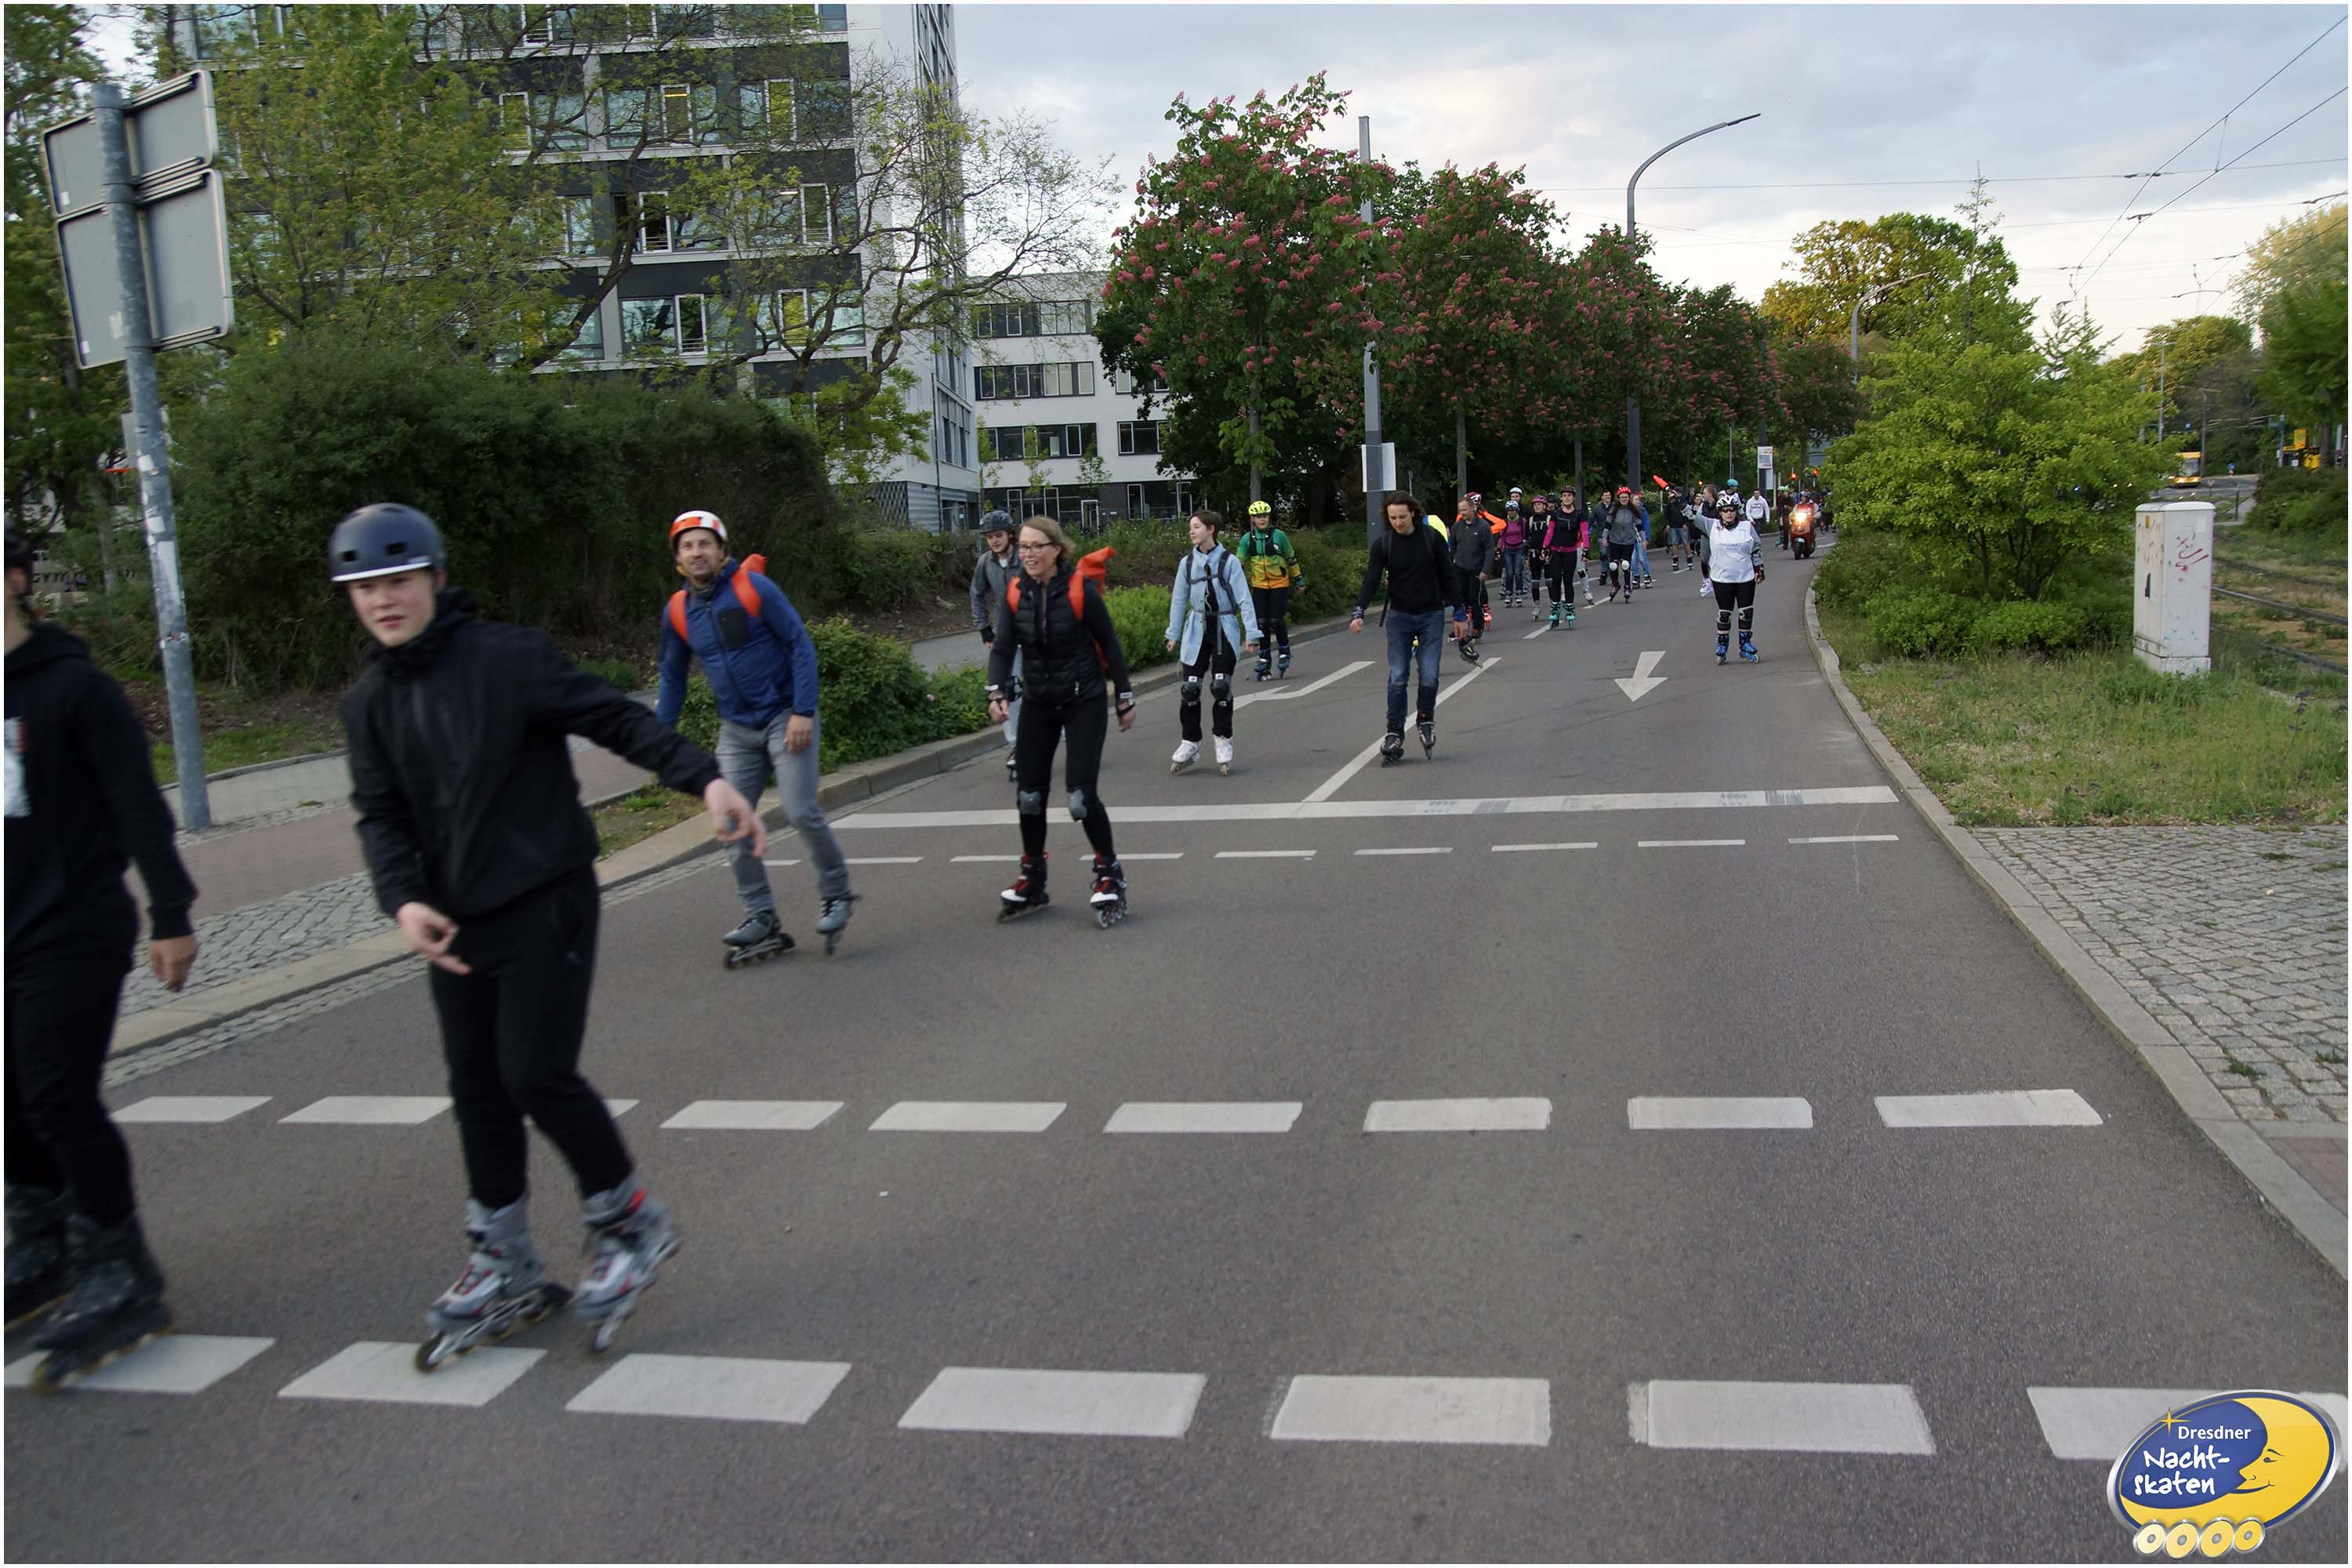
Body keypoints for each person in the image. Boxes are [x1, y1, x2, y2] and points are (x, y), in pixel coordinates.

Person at [333, 503, 763, 1358]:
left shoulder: (507, 658)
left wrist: (706, 779)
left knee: (534, 1072)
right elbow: (379, 815)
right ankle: (504, 1258)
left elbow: (615, 718)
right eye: (365, 587)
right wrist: (402, 899)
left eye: (398, 581)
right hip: (453, 920)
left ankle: (630, 1221)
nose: (383, 599)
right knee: (476, 1087)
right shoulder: (367, 703)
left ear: (436, 579)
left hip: (544, 896)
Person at [5, 529, 200, 1390]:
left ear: (17, 579)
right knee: (9, 1098)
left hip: (73, 926)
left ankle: (120, 1262)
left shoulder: (75, 688)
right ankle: (42, 1241)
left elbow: (136, 805)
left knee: (56, 1093)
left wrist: (171, 913)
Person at [656, 509, 858, 963]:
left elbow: (799, 644)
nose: (697, 552)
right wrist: (656, 739)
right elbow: (671, 678)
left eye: (705, 543)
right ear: (678, 560)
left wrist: (802, 711)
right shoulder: (678, 611)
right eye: (688, 546)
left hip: (785, 717)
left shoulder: (754, 588)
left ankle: (837, 893)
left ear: (721, 550)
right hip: (736, 730)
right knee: (731, 823)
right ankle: (761, 915)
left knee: (799, 810)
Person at [986, 517, 1137, 925]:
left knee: (1080, 798)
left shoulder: (1079, 590)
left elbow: (1109, 643)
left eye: (1037, 546)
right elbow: (1002, 649)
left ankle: (1109, 873)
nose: (1028, 554)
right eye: (1023, 547)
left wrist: (1124, 698)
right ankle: (1033, 877)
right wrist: (996, 692)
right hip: (1038, 702)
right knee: (1029, 796)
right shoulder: (1015, 593)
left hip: (1083, 700)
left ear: (1056, 549)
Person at [1351, 493, 1466, 764]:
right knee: (1398, 676)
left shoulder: (1431, 539)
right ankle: (1394, 731)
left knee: (1429, 674)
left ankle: (1425, 720)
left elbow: (1448, 576)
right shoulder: (1385, 544)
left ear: (1413, 513)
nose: (1398, 522)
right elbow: (1371, 580)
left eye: (1402, 517)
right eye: (1393, 518)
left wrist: (1460, 613)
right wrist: (1359, 611)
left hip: (1431, 615)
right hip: (1400, 617)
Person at [1163, 509, 1259, 776]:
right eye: (1191, 527)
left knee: (1221, 686)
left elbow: (1244, 598)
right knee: (1190, 688)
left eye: (1196, 527)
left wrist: (1252, 633)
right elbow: (1179, 600)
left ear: (1210, 529)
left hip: (1223, 628)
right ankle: (1190, 742)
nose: (1191, 531)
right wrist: (1173, 633)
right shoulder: (1187, 563)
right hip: (1196, 629)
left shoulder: (1229, 562)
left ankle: (1223, 739)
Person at [968, 510, 1021, 779]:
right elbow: (976, 593)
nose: (994, 541)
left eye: (998, 535)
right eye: (989, 537)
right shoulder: (985, 562)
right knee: (1009, 691)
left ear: (1010, 534)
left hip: (1036, 633)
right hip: (1005, 635)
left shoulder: (1025, 557)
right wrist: (984, 628)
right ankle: (1017, 746)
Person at [1233, 499, 1302, 681]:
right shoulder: (1247, 539)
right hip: (1259, 585)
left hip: (1279, 583)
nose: (1262, 519)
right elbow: (1238, 562)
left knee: (1276, 620)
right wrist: (1232, 580)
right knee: (1261, 622)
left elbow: (1291, 558)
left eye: (1264, 516)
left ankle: (1284, 651)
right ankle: (1264, 657)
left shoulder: (1279, 536)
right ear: (1252, 519)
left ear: (1269, 517)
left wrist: (1299, 580)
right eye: (1258, 516)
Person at [1706, 493, 1766, 663]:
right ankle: (1722, 644)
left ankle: (1745, 644)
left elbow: (1756, 548)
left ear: (1736, 511)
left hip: (1745, 576)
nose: (1729, 513)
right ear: (1720, 512)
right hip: (1721, 577)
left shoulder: (1746, 526)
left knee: (1746, 612)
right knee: (1725, 613)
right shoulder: (1712, 525)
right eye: (1725, 510)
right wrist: (1677, 501)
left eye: (1732, 510)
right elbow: (1692, 516)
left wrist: (1759, 568)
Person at [1449, 491, 1496, 659]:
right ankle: (1460, 626)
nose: (1461, 513)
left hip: (1476, 569)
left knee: (1474, 598)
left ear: (1473, 509)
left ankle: (1477, 626)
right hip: (1460, 568)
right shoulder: (1457, 527)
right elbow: (1453, 546)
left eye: (1464, 510)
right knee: (1459, 599)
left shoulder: (1483, 527)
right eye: (1460, 510)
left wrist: (1485, 570)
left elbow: (1489, 550)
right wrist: (1451, 564)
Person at [1538, 497, 1583, 630]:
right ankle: (1555, 608)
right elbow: (1550, 532)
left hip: (1570, 551)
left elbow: (1585, 532)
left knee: (1568, 581)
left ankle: (1570, 609)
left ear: (1573, 498)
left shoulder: (1579, 514)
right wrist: (1545, 547)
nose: (1567, 498)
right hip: (1556, 551)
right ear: (1562, 499)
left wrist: (1586, 549)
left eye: (1569, 495)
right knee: (1556, 580)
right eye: (1565, 496)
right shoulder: (1556, 514)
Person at [1602, 485, 1646, 602]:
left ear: (1629, 498)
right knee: (1613, 565)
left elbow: (1639, 526)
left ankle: (1627, 587)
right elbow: (1607, 525)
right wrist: (1604, 538)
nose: (1624, 499)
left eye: (1626, 497)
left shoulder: (1633, 511)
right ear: (1619, 498)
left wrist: (1644, 540)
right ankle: (1615, 584)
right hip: (1615, 540)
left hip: (1628, 541)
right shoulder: (1614, 509)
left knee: (1626, 564)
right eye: (1622, 497)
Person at [1524, 493, 1553, 619]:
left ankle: (1554, 604)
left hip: (1547, 553)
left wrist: (1550, 551)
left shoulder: (1550, 518)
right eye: (1535, 505)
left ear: (1544, 506)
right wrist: (1526, 553)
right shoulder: (1530, 520)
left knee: (1549, 580)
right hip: (1534, 553)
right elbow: (1526, 538)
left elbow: (1553, 535)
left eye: (1539, 505)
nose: (1537, 507)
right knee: (1535, 581)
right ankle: (1536, 605)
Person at [1496, 500, 1530, 610]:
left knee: (1518, 572)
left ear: (1517, 510)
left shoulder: (1522, 521)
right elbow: (1501, 537)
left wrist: (1526, 547)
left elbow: (1525, 535)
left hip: (1519, 548)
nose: (1511, 512)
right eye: (1509, 510)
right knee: (1509, 572)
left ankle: (1519, 592)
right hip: (1508, 549)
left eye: (1513, 510)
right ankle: (1509, 593)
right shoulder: (1504, 522)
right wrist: (1499, 549)